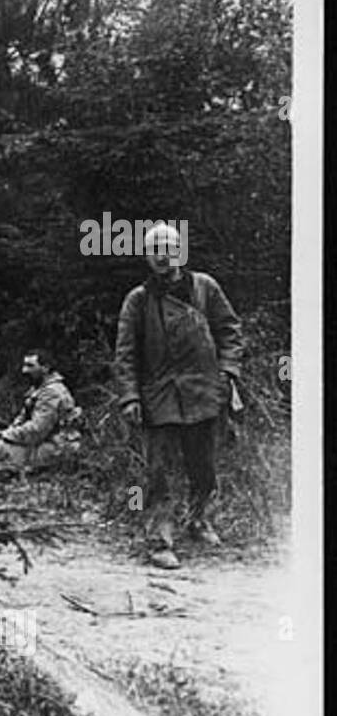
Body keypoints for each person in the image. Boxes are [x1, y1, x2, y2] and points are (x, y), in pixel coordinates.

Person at [114, 223, 243, 570]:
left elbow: (230, 331)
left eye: (169, 247)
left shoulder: (205, 288)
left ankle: (198, 520)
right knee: (160, 473)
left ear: (180, 252)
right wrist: (130, 397)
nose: (162, 254)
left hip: (204, 393)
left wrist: (228, 372)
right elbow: (125, 355)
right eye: (154, 248)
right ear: (146, 255)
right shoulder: (138, 300)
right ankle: (160, 540)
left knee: (204, 469)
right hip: (160, 398)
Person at [0, 349, 81, 467]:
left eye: (30, 366)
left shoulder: (51, 393)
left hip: (55, 447)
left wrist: (5, 435)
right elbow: (22, 419)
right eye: (24, 365)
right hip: (44, 442)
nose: (24, 370)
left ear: (46, 368)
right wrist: (7, 432)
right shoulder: (40, 388)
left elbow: (37, 430)